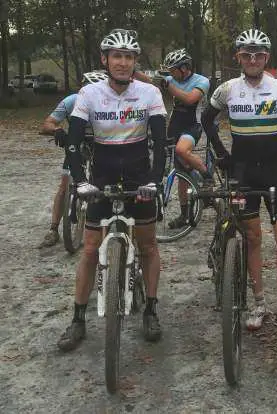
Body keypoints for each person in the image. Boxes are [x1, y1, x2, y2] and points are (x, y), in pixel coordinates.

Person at [57, 29, 168, 350]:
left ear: (135, 62)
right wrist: (80, 182)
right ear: (105, 60)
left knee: (147, 247)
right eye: (116, 56)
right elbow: (75, 144)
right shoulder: (89, 95)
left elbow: (160, 144)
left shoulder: (149, 94)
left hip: (139, 178)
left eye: (129, 57)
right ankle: (78, 319)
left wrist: (155, 180)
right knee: (90, 249)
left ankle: (150, 309)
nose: (122, 62)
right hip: (101, 178)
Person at [201, 29, 277, 331]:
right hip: (244, 174)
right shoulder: (227, 89)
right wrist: (222, 153)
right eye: (246, 54)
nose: (252, 60)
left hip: (275, 171)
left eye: (258, 54)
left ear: (267, 57)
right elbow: (205, 119)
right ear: (237, 56)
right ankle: (259, 303)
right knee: (252, 239)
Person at [136, 49, 212, 229]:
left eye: (173, 70)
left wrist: (166, 84)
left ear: (184, 68)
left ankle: (206, 175)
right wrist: (132, 70)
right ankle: (184, 215)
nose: (170, 74)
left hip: (193, 125)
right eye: (168, 71)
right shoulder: (171, 79)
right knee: (181, 174)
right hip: (175, 125)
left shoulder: (202, 81)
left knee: (181, 150)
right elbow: (148, 79)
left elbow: (189, 99)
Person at [38, 71, 109, 248]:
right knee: (64, 185)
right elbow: (47, 123)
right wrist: (57, 130)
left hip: (101, 145)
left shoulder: (109, 102)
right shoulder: (71, 100)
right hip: (76, 145)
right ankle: (53, 229)